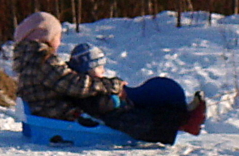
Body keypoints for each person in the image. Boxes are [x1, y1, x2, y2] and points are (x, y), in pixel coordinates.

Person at [12, 11, 205, 144]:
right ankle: (180, 121)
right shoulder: (43, 60)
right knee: (112, 109)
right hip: (64, 110)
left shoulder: (31, 59)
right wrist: (111, 85)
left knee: (112, 102)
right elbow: (74, 85)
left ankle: (178, 116)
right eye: (58, 37)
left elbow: (62, 82)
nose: (60, 41)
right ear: (44, 36)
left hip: (53, 106)